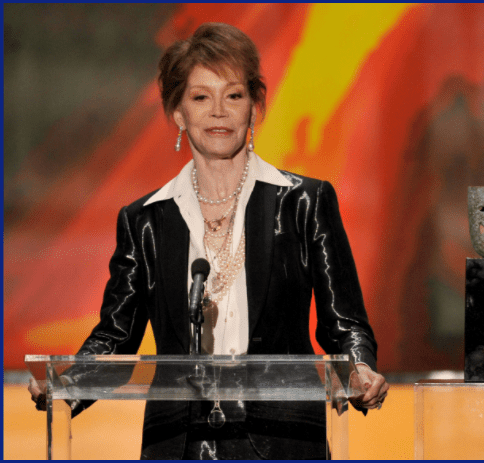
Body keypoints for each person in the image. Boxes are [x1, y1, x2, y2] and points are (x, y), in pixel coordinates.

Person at [29, 22, 389, 459]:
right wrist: (66, 384)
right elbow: (116, 332)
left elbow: (344, 323)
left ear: (254, 107)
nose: (219, 111)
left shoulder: (303, 203)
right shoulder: (145, 219)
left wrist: (361, 370)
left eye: (233, 95)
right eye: (201, 97)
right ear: (179, 112)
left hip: (283, 439)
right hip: (177, 442)